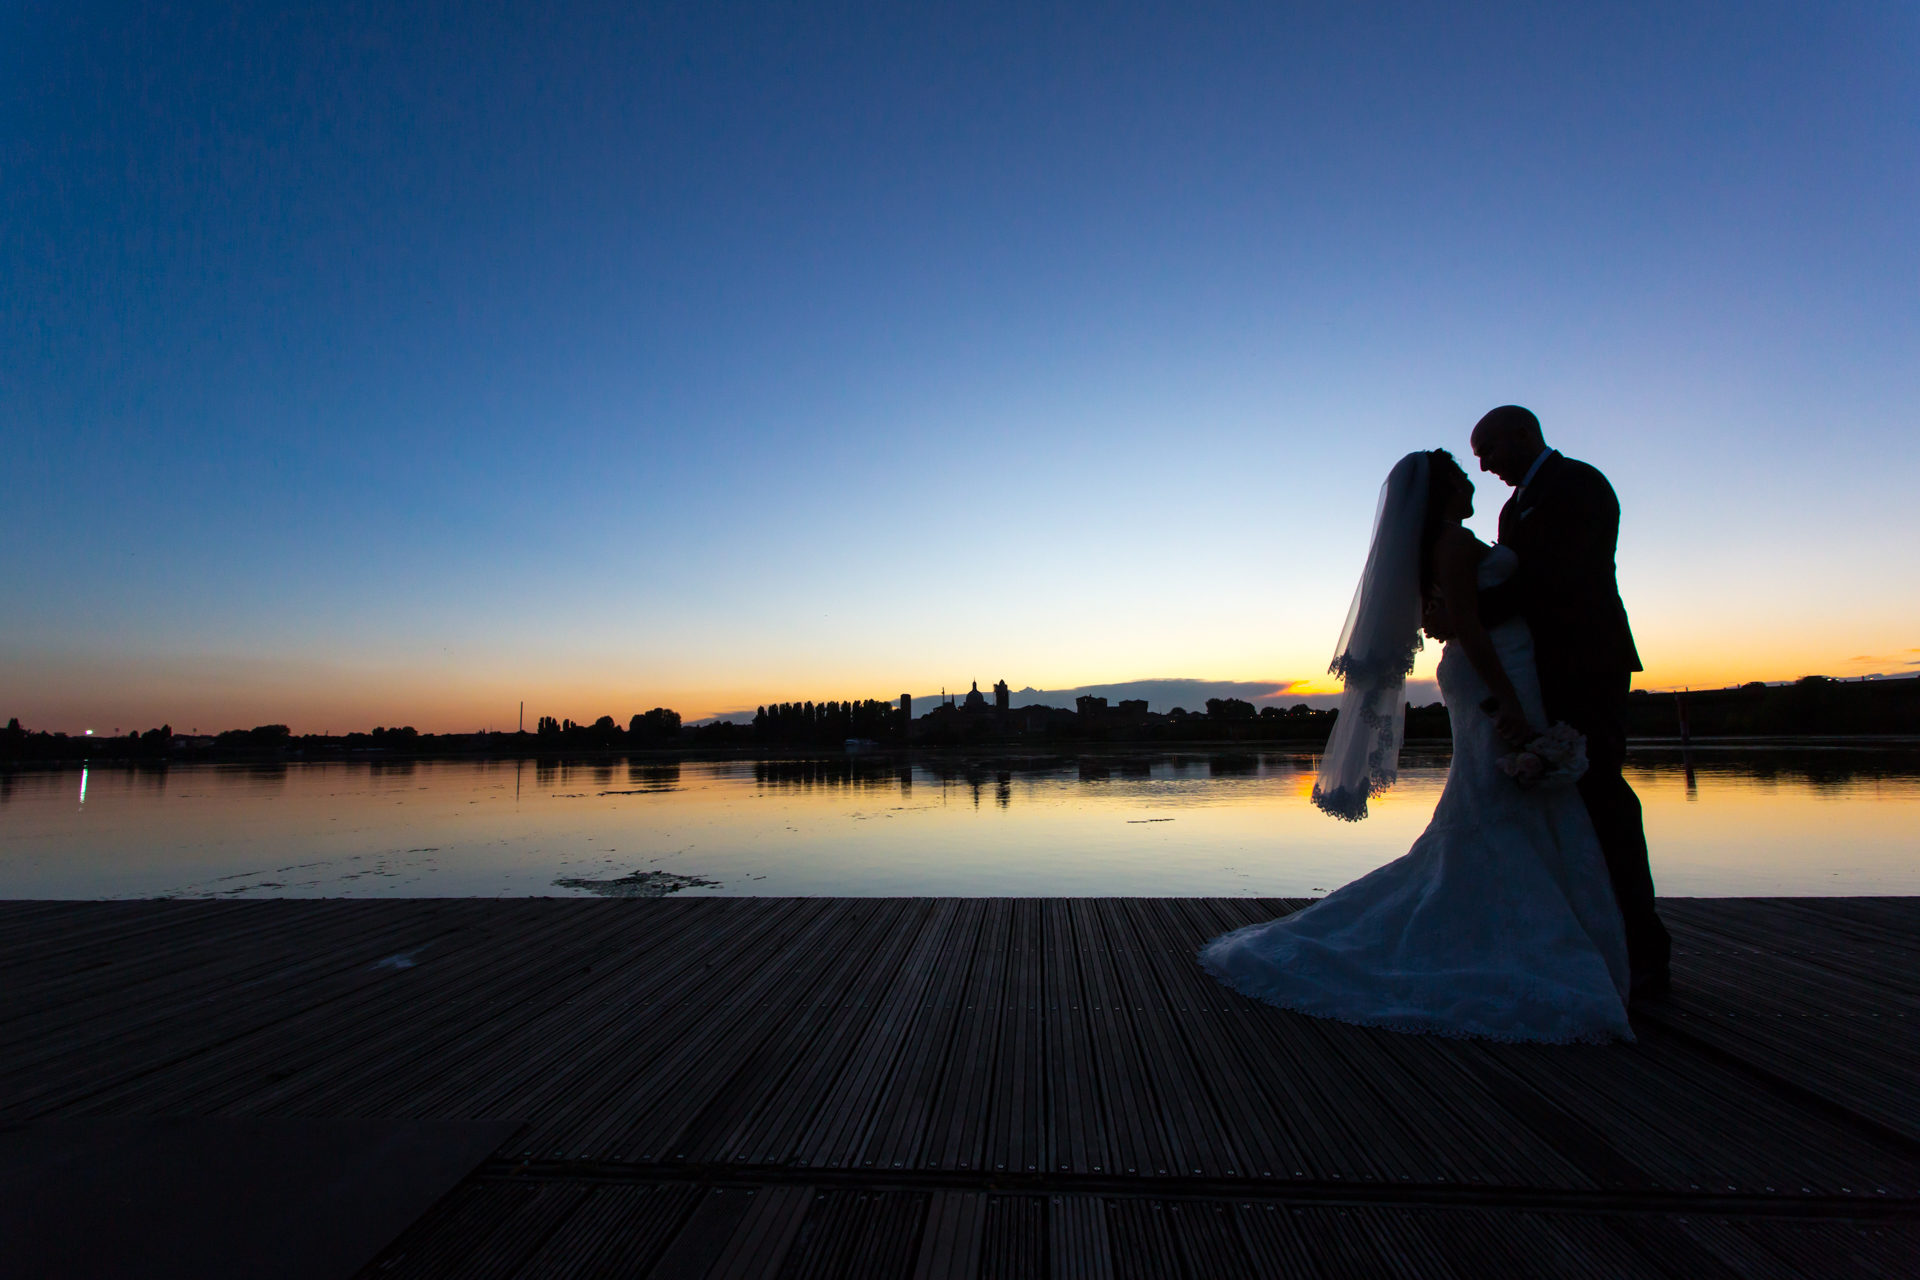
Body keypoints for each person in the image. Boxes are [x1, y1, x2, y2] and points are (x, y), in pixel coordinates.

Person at [1198, 449, 1633, 1043]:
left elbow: (1460, 611)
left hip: (1505, 667)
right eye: (1464, 472)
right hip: (1495, 670)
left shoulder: (1454, 541)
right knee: (1496, 794)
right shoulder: (1453, 543)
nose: (1475, 477)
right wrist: (1505, 696)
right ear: (1446, 490)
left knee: (1490, 797)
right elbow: (1471, 623)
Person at [1470, 405, 1671, 997]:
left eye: (1488, 451)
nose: (1484, 467)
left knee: (1601, 791)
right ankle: (1583, 936)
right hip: (1539, 671)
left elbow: (1561, 576)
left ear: (1520, 435)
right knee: (1562, 800)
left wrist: (1465, 618)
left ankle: (1644, 948)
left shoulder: (1579, 484)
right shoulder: (1512, 509)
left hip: (1588, 661)